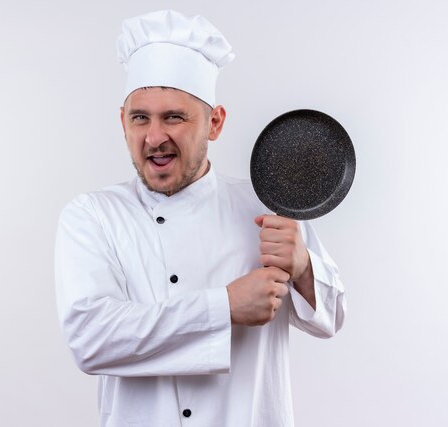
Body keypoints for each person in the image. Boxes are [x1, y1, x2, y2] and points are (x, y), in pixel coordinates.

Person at [55, 10, 346, 427]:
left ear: (214, 122)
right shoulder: (92, 216)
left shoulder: (266, 205)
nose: (155, 137)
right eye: (141, 118)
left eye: (174, 117)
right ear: (123, 121)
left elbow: (332, 319)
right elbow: (91, 340)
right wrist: (224, 306)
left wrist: (302, 267)